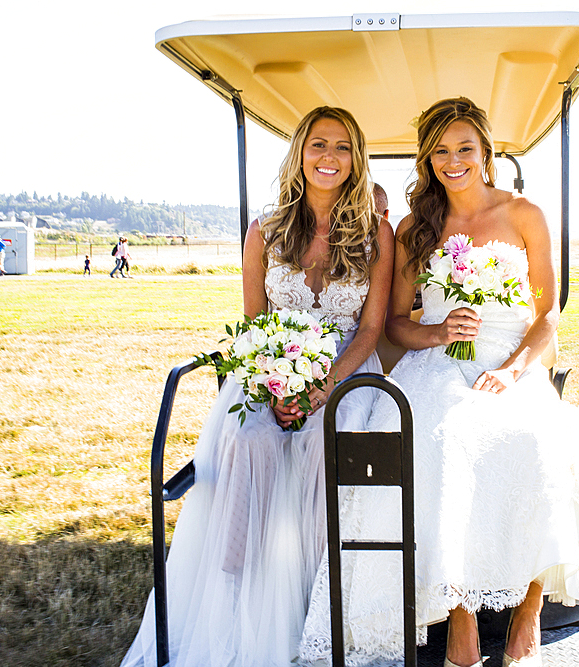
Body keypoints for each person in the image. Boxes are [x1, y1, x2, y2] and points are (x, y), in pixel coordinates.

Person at [299, 98, 579, 667]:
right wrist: (439, 332)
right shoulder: (414, 228)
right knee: (441, 440)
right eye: (442, 151)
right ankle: (461, 613)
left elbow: (547, 313)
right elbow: (396, 321)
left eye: (465, 149)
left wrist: (512, 368)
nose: (454, 161)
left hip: (512, 359)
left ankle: (529, 601)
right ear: (428, 158)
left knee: (533, 439)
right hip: (441, 358)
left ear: (486, 154)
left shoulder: (525, 214)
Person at [120, 106, 394, 667]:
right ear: (299, 153)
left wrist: (325, 387)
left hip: (346, 372)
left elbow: (369, 329)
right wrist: (276, 383)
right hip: (271, 369)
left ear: (356, 159)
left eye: (342, 147)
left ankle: (324, 591)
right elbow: (255, 325)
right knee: (251, 439)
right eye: (318, 144)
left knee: (327, 442)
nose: (329, 157)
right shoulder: (265, 232)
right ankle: (238, 586)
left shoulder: (375, 233)